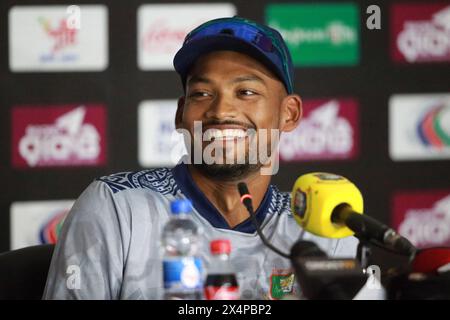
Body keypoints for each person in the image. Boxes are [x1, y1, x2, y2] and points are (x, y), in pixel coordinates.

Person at [43, 16, 375, 300]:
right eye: (202, 94)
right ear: (180, 113)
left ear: (289, 114)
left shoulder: (323, 227)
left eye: (246, 92)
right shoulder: (118, 206)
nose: (220, 111)